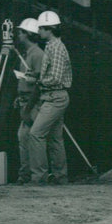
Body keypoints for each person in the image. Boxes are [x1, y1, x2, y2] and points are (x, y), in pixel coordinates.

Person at [27, 10, 72, 185]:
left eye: (41, 29)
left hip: (55, 97)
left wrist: (38, 80)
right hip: (53, 97)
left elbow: (56, 78)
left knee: (35, 134)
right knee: (55, 139)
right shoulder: (51, 46)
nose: (39, 32)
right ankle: (61, 177)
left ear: (50, 29)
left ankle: (39, 177)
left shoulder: (57, 49)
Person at [12, 18, 43, 185]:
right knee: (23, 138)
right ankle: (26, 175)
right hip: (25, 101)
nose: (18, 35)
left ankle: (31, 175)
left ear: (28, 34)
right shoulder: (28, 54)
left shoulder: (37, 55)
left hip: (33, 104)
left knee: (27, 138)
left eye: (21, 32)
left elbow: (38, 84)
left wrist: (27, 108)